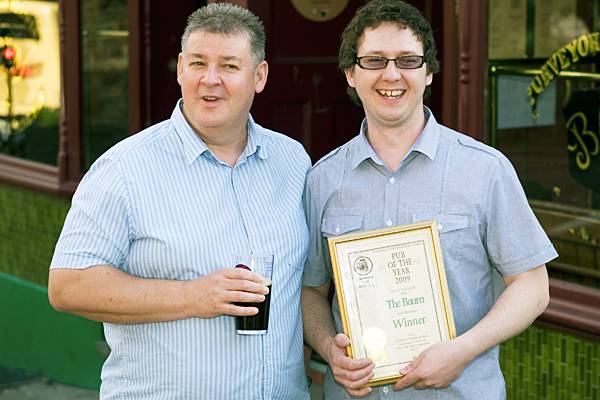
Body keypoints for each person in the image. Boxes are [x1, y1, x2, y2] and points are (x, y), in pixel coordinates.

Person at [48, 3, 311, 399]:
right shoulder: (125, 168)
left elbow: (306, 284)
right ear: (179, 70)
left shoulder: (292, 162)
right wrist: (193, 296)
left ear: (260, 76)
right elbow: (68, 286)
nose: (210, 80)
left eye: (229, 66)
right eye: (198, 63)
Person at [301, 0, 558, 399]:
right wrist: (327, 349)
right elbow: (311, 291)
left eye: (407, 60)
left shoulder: (485, 170)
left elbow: (532, 285)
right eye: (374, 60)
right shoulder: (323, 179)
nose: (391, 75)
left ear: (429, 72)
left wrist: (463, 350)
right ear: (351, 74)